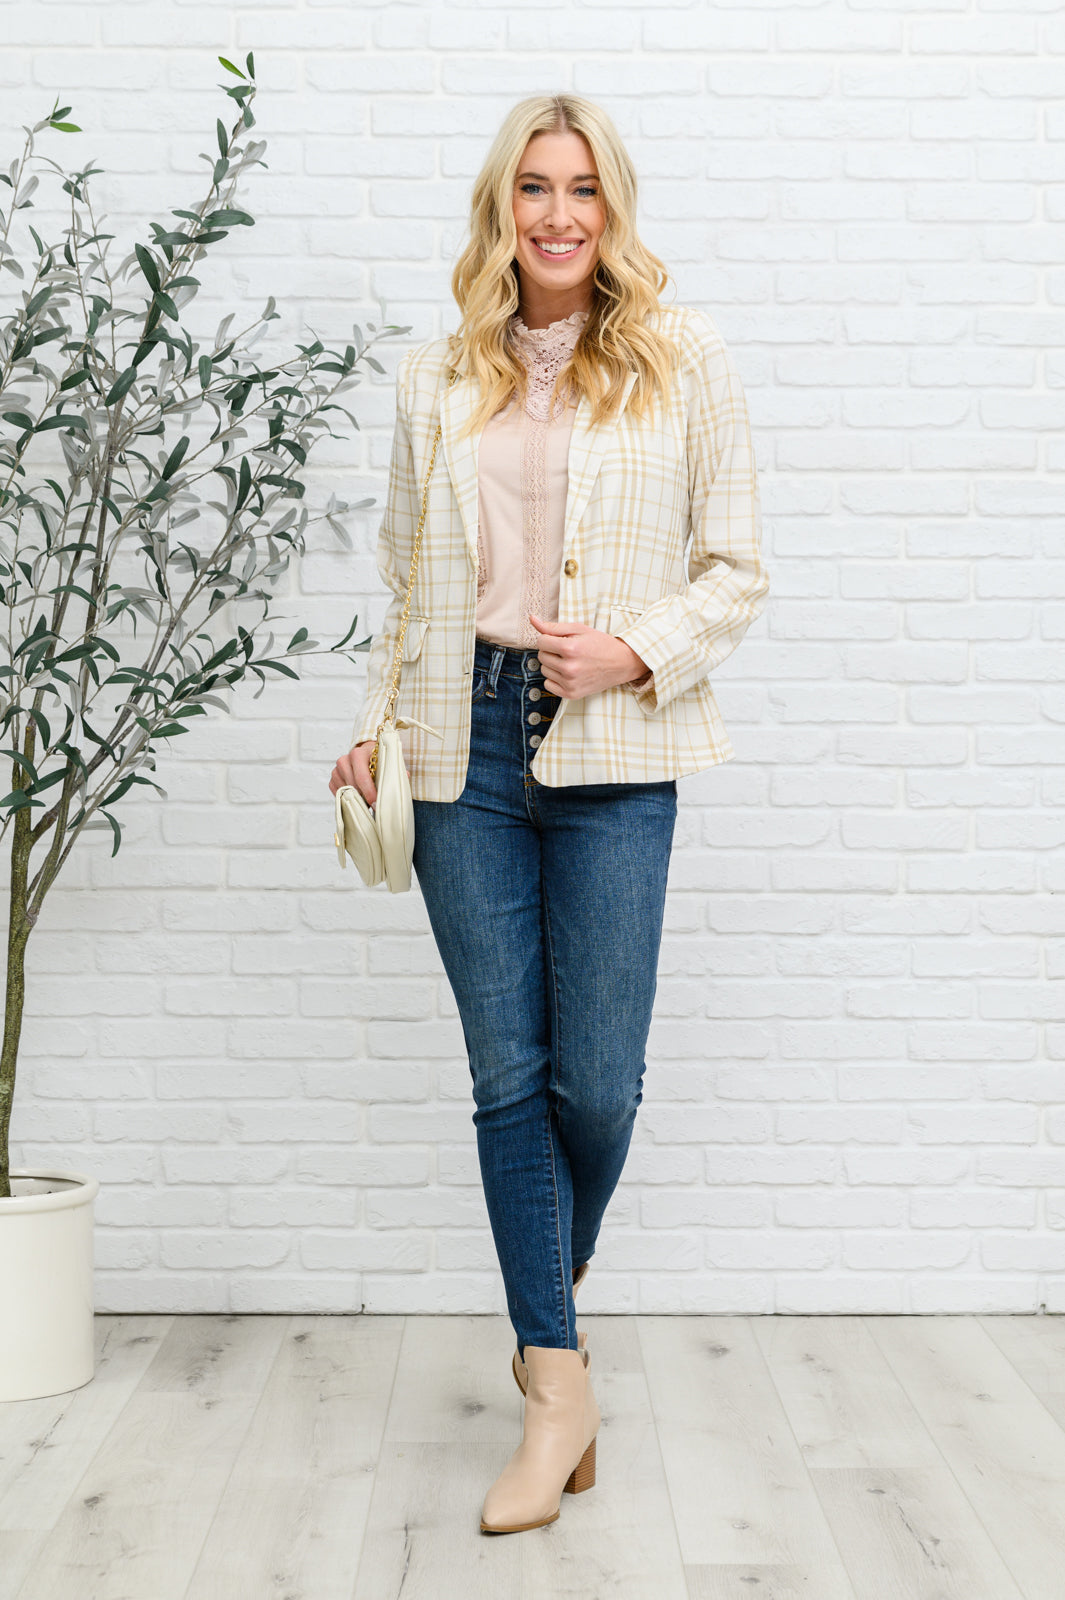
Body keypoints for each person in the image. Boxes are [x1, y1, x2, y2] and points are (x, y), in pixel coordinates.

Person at [329, 92, 769, 1536]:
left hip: (615, 747)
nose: (558, 214)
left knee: (600, 1086)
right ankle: (555, 1384)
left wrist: (632, 647)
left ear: (612, 207)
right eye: (533, 187)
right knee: (508, 1078)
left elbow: (737, 568)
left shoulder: (683, 357)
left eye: (582, 188)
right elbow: (408, 580)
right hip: (458, 744)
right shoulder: (433, 377)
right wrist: (378, 728)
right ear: (500, 208)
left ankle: (544, 1302)